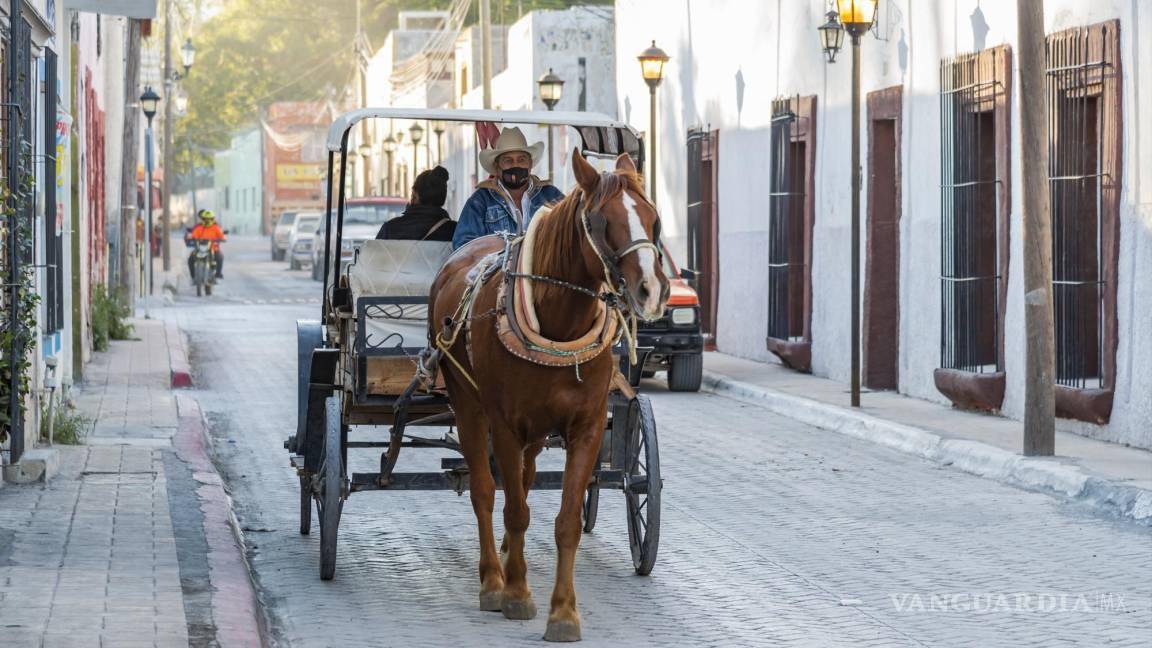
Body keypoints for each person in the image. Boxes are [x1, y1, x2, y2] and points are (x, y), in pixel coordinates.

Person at [452, 127, 564, 249]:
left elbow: (571, 233)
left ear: (530, 164)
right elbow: (463, 245)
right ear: (497, 167)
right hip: (500, 268)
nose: (515, 165)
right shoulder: (481, 200)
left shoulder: (551, 196)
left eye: (521, 160)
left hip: (543, 268)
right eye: (508, 160)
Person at [376, 166, 456, 241]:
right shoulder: (455, 231)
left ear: (414, 194)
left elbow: (374, 255)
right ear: (443, 197)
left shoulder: (390, 229)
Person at [186, 209, 226, 279]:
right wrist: (189, 238)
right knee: (190, 259)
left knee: (220, 257)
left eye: (210, 219)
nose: (208, 220)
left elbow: (222, 236)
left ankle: (218, 273)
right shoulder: (199, 228)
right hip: (200, 249)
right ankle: (193, 276)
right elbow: (193, 235)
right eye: (206, 219)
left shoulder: (216, 227)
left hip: (213, 249)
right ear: (202, 219)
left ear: (213, 219)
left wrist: (222, 239)